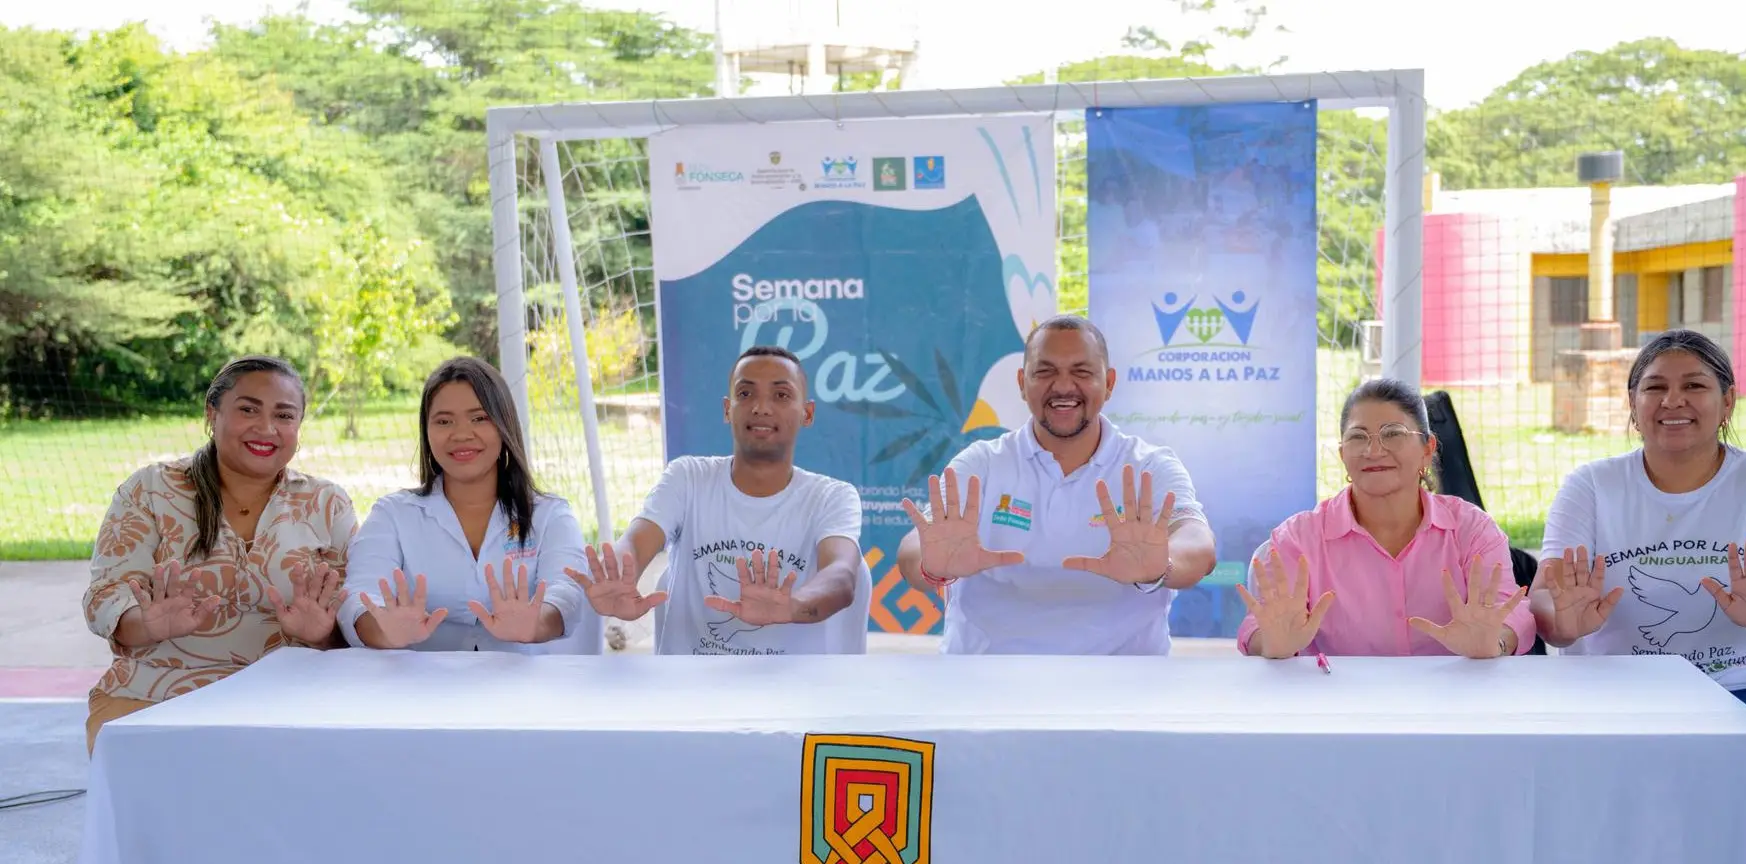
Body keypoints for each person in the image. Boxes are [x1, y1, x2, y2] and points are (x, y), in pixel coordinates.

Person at [1533, 329, 1746, 790]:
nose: (1673, 400)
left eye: (1694, 385)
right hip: (1615, 691)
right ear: (1633, 404)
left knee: (1735, 778)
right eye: (1655, 387)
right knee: (1589, 780)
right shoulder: (1591, 486)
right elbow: (1545, 597)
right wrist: (1561, 623)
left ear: (1727, 401)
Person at [895, 314, 1217, 654]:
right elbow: (915, 548)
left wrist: (1161, 566)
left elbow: (1198, 543)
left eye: (1082, 371)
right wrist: (931, 564)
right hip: (985, 677)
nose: (1063, 386)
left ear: (1109, 383)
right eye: (1045, 371)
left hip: (1124, 679)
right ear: (1022, 382)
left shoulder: (1150, 466)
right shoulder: (981, 464)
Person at [81, 355, 356, 753]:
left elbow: (354, 615)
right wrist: (147, 625)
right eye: (248, 410)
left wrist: (324, 635)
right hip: (155, 694)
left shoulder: (327, 502)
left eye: (284, 415)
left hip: (289, 700)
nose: (267, 429)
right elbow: (104, 599)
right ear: (212, 413)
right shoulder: (151, 489)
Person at [569, 345, 866, 655]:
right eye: (746, 393)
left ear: (807, 413)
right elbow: (637, 541)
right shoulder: (688, 477)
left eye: (781, 395)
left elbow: (842, 575)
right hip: (689, 683)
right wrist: (618, 573)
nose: (761, 407)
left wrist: (792, 606)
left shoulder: (833, 497)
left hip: (792, 684)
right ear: (727, 409)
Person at [1236, 378, 1535, 660]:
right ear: (1342, 454)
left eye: (1393, 433)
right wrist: (1272, 644)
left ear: (1427, 449)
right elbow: (1259, 628)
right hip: (1336, 694)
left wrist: (1494, 642)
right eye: (1358, 437)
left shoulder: (1472, 529)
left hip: (1451, 693)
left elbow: (1510, 613)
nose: (1374, 450)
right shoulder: (1298, 539)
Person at [338, 356, 590, 653]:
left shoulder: (550, 515)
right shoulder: (392, 515)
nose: (461, 434)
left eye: (479, 418)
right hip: (420, 679)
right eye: (444, 421)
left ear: (504, 424)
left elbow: (567, 591)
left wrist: (537, 624)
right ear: (426, 431)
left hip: (523, 679)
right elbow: (359, 596)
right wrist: (383, 632)